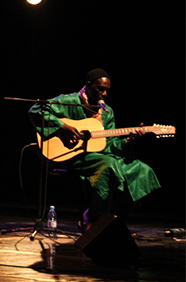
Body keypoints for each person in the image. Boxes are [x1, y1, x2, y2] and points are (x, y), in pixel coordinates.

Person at [28, 68, 160, 229]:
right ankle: (93, 220)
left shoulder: (107, 112)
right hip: (72, 156)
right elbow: (36, 109)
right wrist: (63, 127)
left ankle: (109, 219)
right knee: (109, 165)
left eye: (107, 90)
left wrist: (129, 141)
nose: (104, 93)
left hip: (100, 156)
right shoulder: (68, 101)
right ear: (88, 85)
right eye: (100, 89)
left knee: (142, 171)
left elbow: (110, 145)